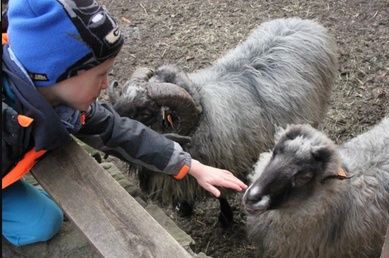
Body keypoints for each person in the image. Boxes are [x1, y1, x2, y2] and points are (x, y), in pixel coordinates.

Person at [2, 0, 247, 247]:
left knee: (44, 222)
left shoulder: (64, 103)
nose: (107, 84)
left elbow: (117, 130)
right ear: (55, 73)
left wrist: (192, 166)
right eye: (100, 75)